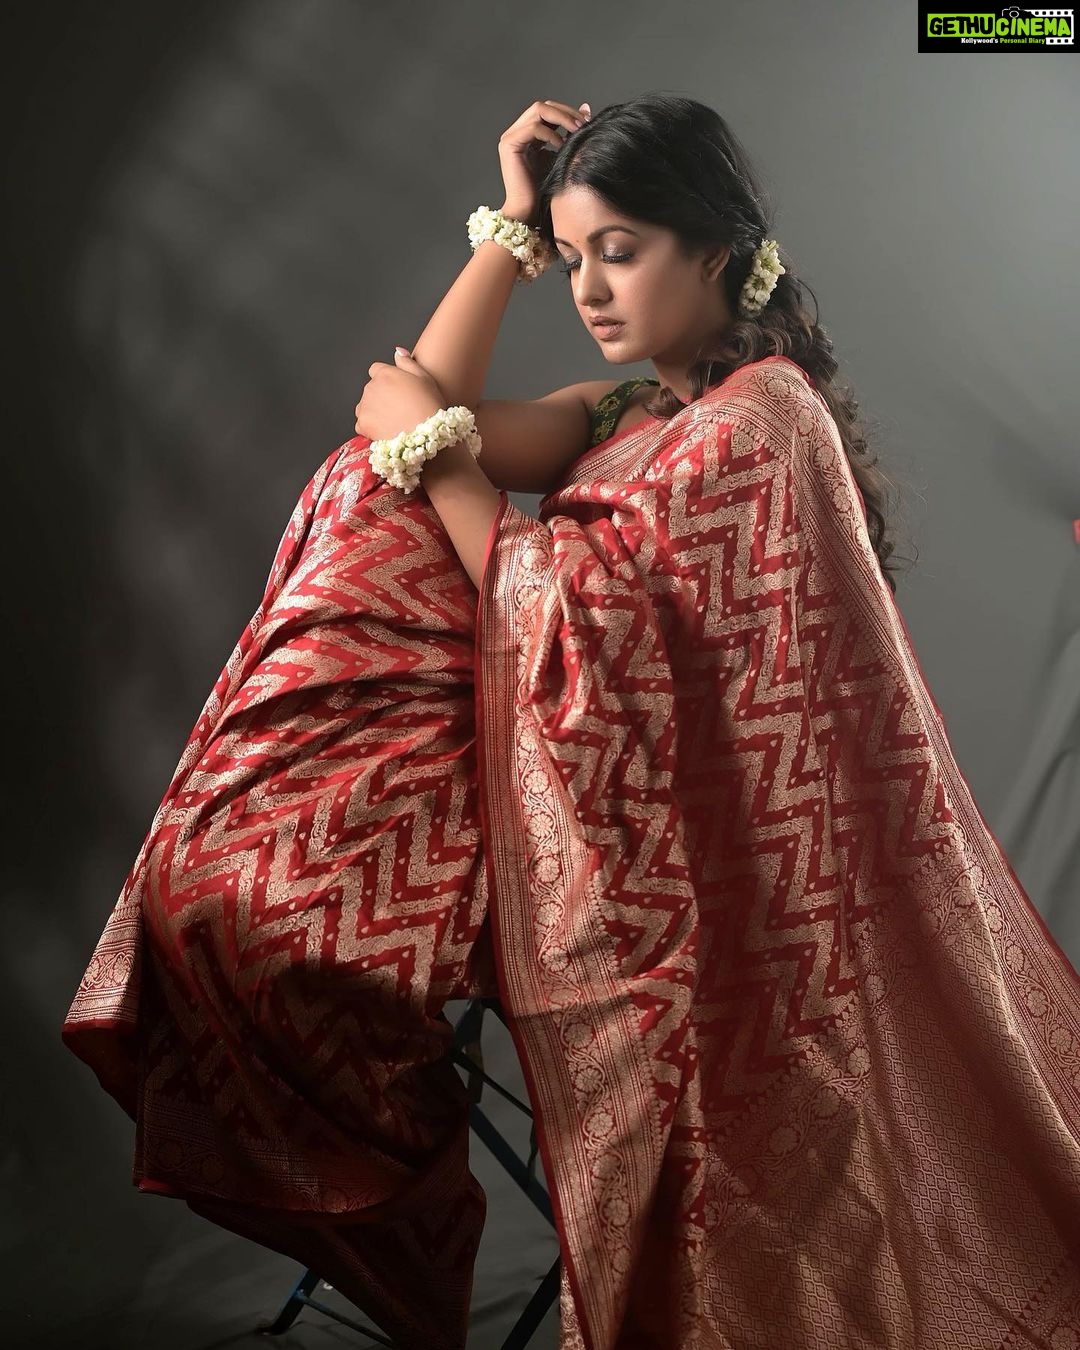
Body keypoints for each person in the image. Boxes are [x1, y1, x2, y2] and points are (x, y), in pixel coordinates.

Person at [63, 92, 1080, 1350]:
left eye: (621, 252)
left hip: (668, 881)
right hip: (553, 809)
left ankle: (416, 1231)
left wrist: (440, 455)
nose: (590, 289)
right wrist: (508, 230)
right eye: (574, 255)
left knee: (285, 911)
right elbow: (401, 429)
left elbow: (579, 621)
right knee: (349, 525)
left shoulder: (767, 422)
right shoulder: (622, 416)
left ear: (717, 250)